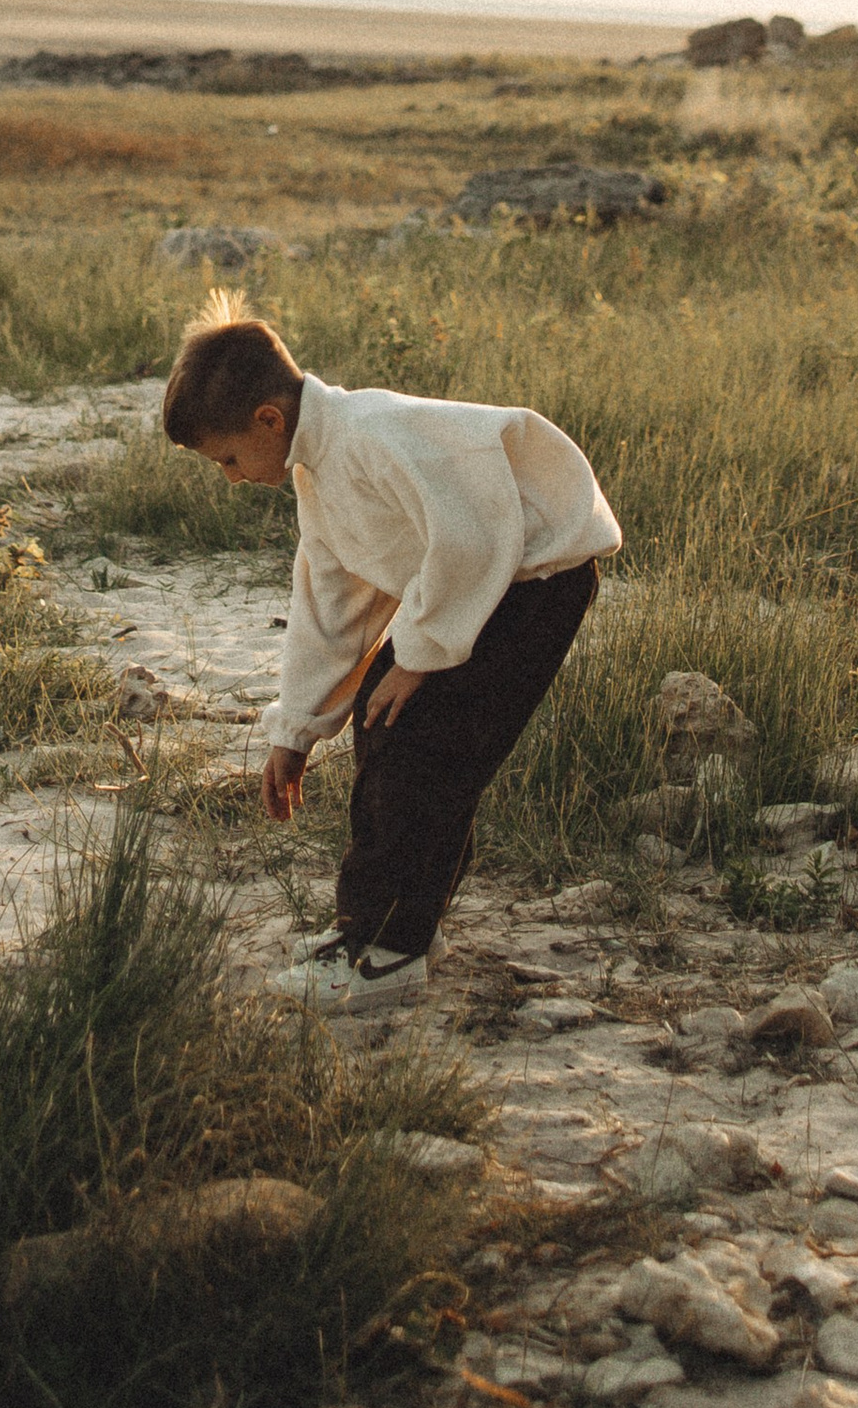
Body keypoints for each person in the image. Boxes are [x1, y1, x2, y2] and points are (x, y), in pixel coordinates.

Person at [163, 293, 621, 1011]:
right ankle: (392, 926)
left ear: (269, 420)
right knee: (384, 725)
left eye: (228, 458)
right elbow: (332, 604)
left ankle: (387, 950)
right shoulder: (318, 471)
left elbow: (475, 534)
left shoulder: (369, 435)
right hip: (479, 590)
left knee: (423, 745)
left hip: (538, 580)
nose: (232, 476)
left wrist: (421, 654)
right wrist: (297, 731)